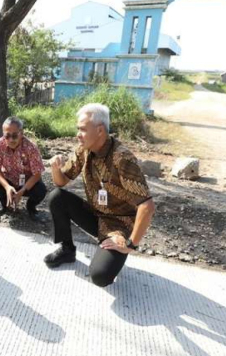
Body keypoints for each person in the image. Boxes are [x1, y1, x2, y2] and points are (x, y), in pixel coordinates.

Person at [44, 103, 155, 287]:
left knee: (100, 276)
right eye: (78, 129)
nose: (77, 134)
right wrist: (55, 168)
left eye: (82, 129)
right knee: (57, 197)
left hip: (118, 225)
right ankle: (67, 249)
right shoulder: (84, 149)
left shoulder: (122, 159)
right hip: (95, 214)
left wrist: (130, 244)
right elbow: (61, 182)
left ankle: (115, 252)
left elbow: (147, 206)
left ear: (100, 130)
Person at [0, 116, 46, 221]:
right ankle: (5, 204)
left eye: (14, 136)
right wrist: (7, 187)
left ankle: (31, 208)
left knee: (41, 190)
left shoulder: (31, 147)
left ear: (21, 133)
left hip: (27, 183)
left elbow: (37, 174)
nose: (11, 139)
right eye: (7, 136)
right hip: (9, 179)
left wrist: (22, 190)